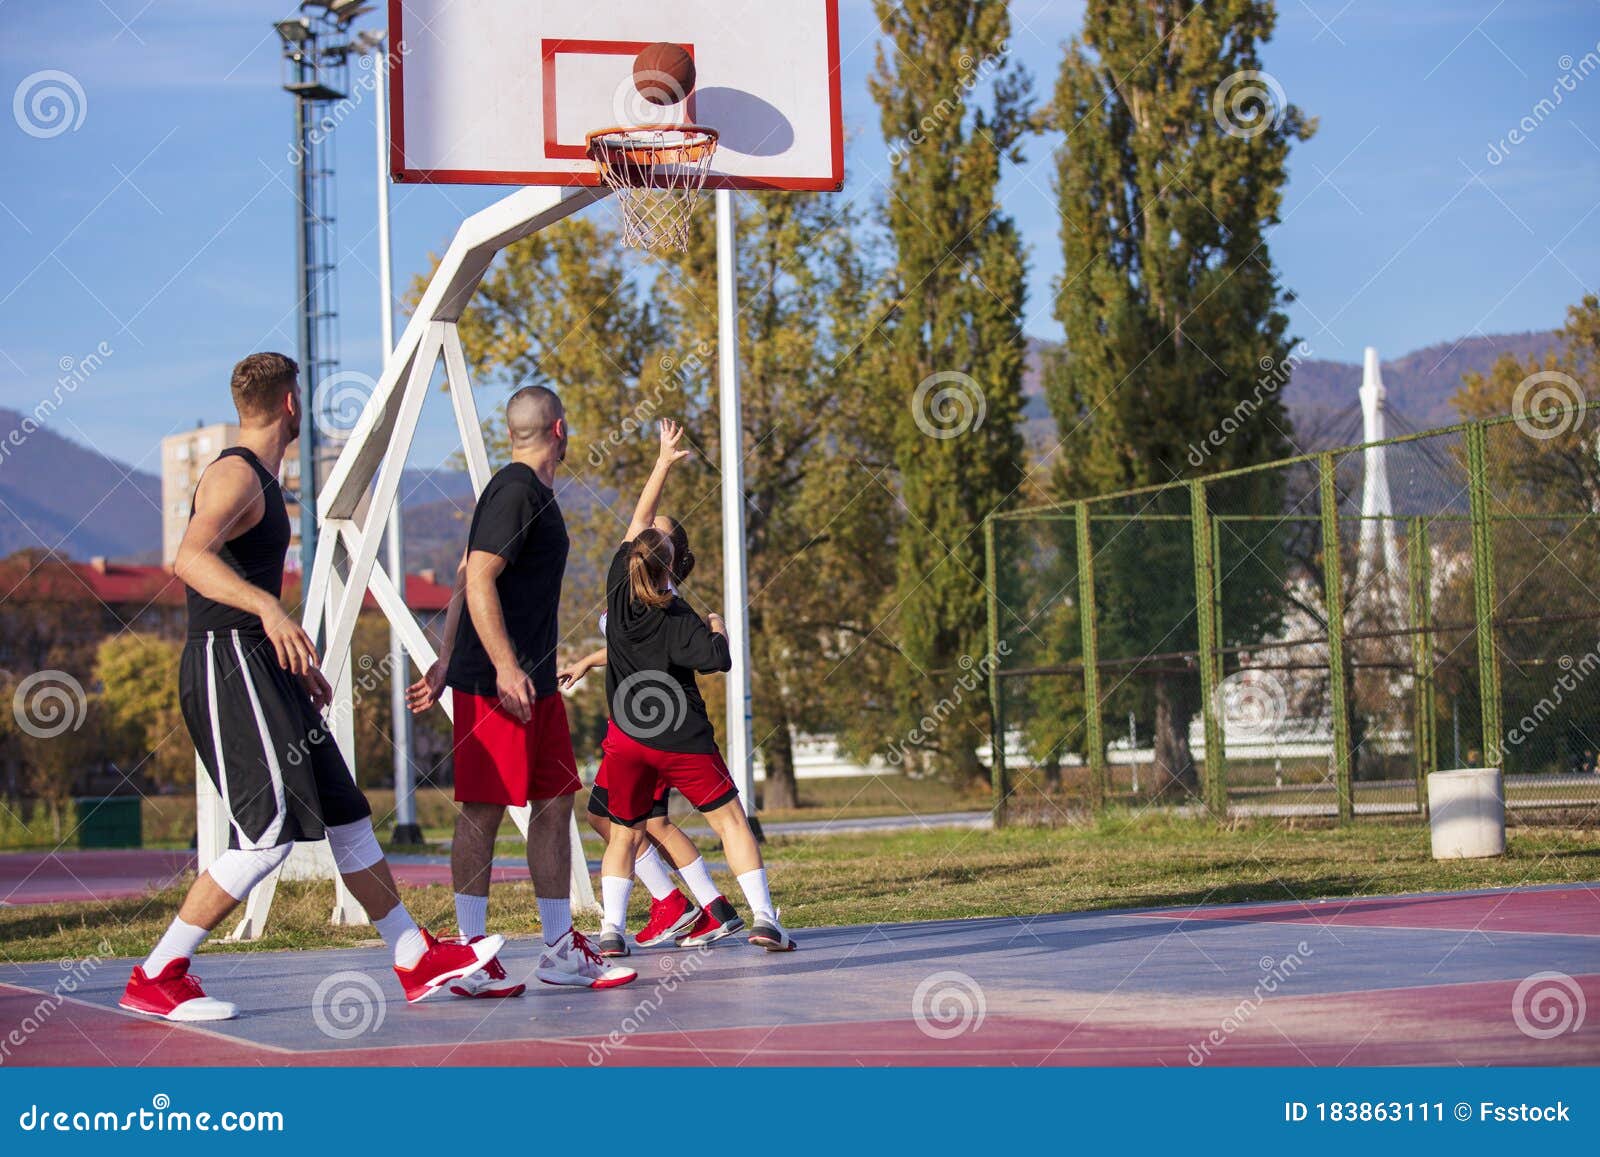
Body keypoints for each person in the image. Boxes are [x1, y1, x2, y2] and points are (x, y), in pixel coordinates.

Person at [121, 352, 500, 1022]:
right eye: (300, 396)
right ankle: (158, 972)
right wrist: (269, 614)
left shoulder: (263, 480)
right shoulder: (236, 474)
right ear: (291, 404)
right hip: (227, 664)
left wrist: (289, 657)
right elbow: (187, 558)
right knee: (264, 837)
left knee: (348, 812)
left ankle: (413, 956)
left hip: (264, 666)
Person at [407, 386, 635, 992]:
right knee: (482, 810)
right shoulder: (514, 491)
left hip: (531, 680)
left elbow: (463, 571)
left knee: (557, 799)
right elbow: (479, 576)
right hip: (498, 683)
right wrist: (498, 665)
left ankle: (559, 949)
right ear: (560, 430)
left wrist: (444, 653)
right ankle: (468, 956)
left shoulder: (530, 493)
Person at [593, 420, 796, 954]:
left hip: (628, 737)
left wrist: (660, 462)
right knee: (730, 821)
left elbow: (637, 520)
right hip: (681, 736)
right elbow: (718, 660)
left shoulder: (617, 592)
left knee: (623, 834)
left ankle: (610, 931)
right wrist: (717, 624)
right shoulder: (681, 617)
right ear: (672, 567)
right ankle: (765, 920)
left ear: (634, 557)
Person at [559, 516, 719, 955]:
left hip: (647, 727)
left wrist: (663, 462)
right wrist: (587, 662)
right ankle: (691, 903)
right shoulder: (637, 590)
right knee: (611, 819)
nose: (646, 528)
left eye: (658, 529)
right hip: (634, 723)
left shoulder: (659, 599)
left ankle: (690, 904)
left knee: (641, 823)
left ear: (668, 556)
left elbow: (655, 647)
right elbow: (621, 646)